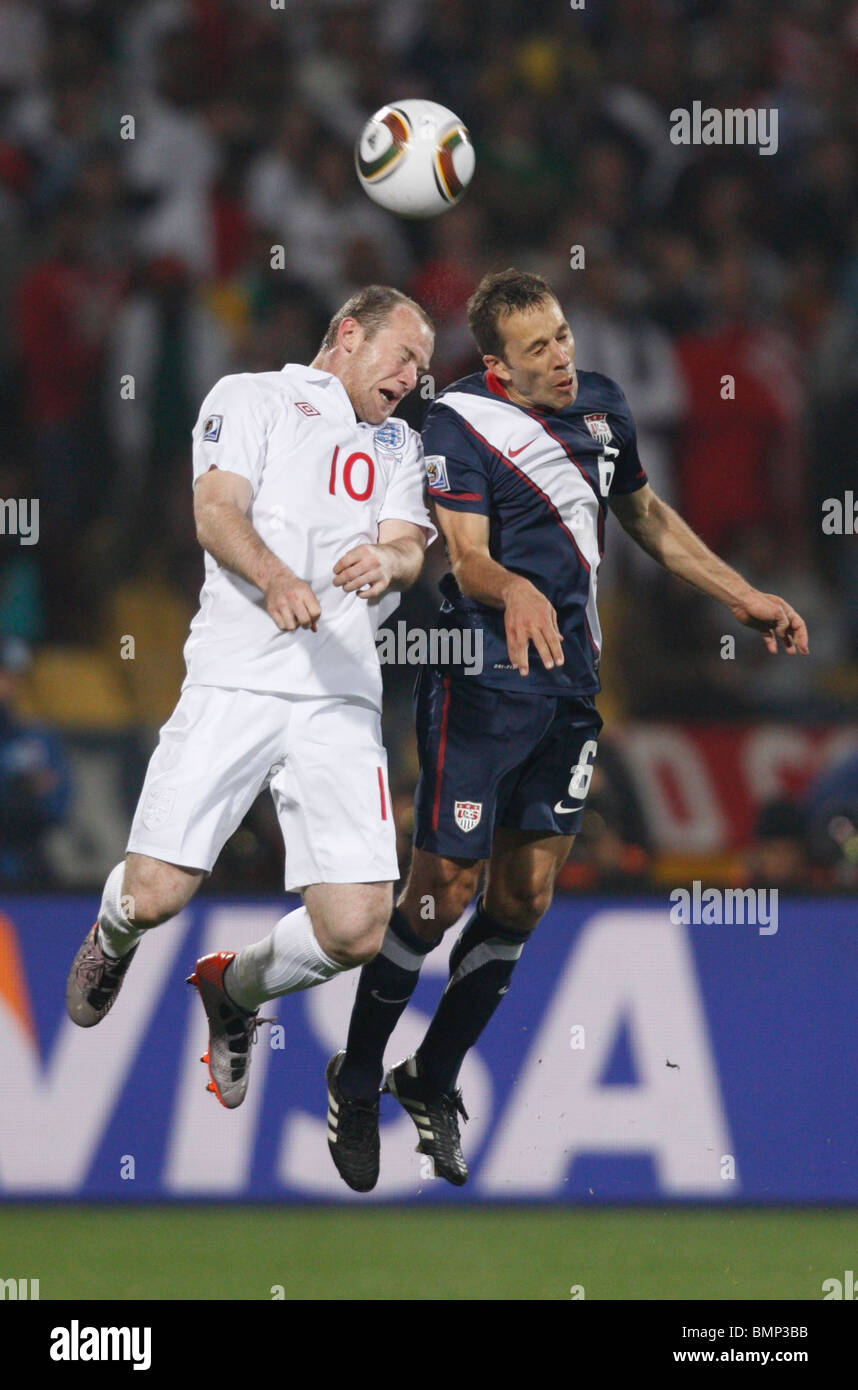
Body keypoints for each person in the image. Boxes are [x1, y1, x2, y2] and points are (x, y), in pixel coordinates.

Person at [329, 268, 808, 1192]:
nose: (561, 357)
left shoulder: (603, 409)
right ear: (497, 367)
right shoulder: (459, 422)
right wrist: (514, 588)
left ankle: (429, 1075)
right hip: (479, 683)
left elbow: (646, 516)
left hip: (570, 689)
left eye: (563, 336)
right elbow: (466, 557)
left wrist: (741, 595)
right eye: (538, 348)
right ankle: (354, 1079)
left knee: (524, 897)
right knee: (439, 895)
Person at [65, 284, 436, 1116]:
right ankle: (113, 935)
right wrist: (274, 579)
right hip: (236, 677)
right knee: (155, 895)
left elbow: (408, 545)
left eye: (423, 365)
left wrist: (390, 563)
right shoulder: (249, 396)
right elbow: (215, 510)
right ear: (349, 334)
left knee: (356, 928)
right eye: (404, 355)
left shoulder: (400, 444)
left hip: (340, 694)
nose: (413, 376)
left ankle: (234, 990)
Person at [0, 635, 70, 885]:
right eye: (3, 673)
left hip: (27, 866)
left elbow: (59, 803)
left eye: (13, 676)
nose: (8, 683)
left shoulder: (37, 738)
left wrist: (28, 798)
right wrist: (15, 790)